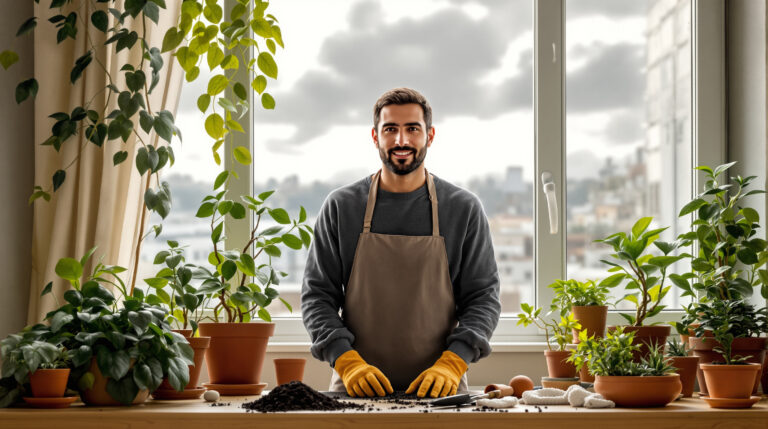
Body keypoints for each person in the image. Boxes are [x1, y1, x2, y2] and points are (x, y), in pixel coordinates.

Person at [301, 87, 501, 398]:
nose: (401, 141)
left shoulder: (463, 208)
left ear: (430, 136)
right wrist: (346, 361)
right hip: (355, 392)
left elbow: (483, 298)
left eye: (412, 129)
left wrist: (453, 362)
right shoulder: (341, 207)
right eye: (390, 129)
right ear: (375, 135)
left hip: (440, 394)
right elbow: (317, 296)